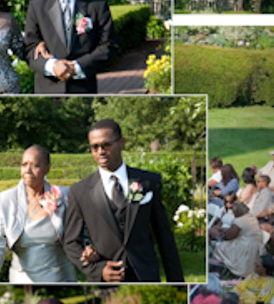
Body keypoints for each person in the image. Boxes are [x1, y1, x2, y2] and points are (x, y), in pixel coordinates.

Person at [63, 119, 184, 282]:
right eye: (94, 147)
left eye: (106, 145)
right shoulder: (80, 191)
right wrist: (97, 270)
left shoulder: (148, 182)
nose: (100, 151)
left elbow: (164, 237)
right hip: (107, 281)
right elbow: (71, 242)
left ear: (121, 143)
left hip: (146, 276)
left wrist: (176, 281)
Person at [23, 0, 117, 94]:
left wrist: (77, 67)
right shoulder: (37, 6)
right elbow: (29, 48)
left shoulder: (97, 5)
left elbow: (109, 45)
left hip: (83, 88)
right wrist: (52, 66)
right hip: (47, 90)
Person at [0, 145, 77, 282]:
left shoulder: (64, 196)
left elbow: (80, 233)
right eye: (24, 164)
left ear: (47, 169)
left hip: (61, 278)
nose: (28, 170)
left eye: (35, 166)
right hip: (20, 279)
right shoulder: (5, 200)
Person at [211, 203, 265, 278]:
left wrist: (219, 234)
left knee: (220, 249)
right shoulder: (251, 217)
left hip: (245, 248)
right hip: (256, 247)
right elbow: (241, 231)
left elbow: (229, 236)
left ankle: (216, 271)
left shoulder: (239, 220)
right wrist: (226, 230)